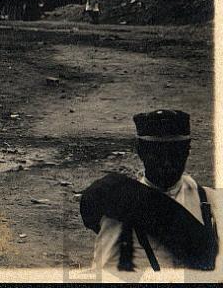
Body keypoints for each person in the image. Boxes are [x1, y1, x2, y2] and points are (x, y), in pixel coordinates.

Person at [81, 110, 221, 272]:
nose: (167, 163)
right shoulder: (119, 209)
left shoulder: (211, 203)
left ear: (187, 151)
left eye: (175, 153)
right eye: (158, 154)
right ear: (141, 151)